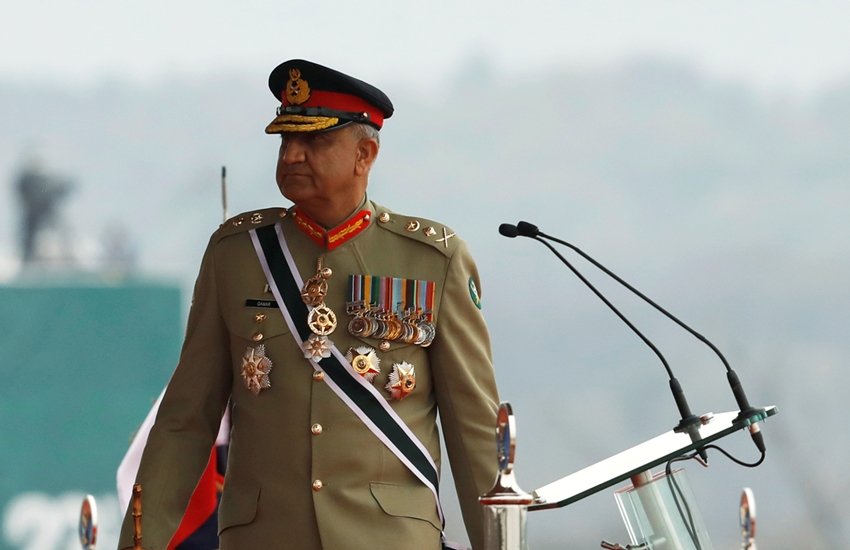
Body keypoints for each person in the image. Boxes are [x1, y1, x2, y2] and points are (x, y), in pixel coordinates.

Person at [118, 59, 499, 550]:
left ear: (365, 154)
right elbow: (186, 419)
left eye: (314, 141)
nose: (293, 155)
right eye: (285, 140)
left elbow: (474, 432)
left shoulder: (432, 259)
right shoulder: (237, 255)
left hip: (387, 538)